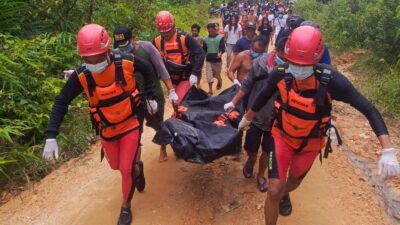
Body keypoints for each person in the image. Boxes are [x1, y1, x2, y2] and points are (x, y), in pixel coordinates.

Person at [238, 26, 400, 225]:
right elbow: (263, 95)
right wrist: (248, 117)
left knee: (293, 182)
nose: (297, 69)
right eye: (293, 63)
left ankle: (284, 193)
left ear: (316, 60)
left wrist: (388, 149)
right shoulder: (281, 72)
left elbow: (368, 109)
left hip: (311, 143)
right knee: (273, 189)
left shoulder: (331, 80)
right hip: (282, 136)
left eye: (303, 65)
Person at [42, 24, 158, 225]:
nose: (93, 62)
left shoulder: (127, 62)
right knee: (115, 165)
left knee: (125, 169)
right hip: (107, 128)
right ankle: (137, 169)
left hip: (131, 121)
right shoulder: (82, 76)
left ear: (107, 50)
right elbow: (61, 102)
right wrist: (51, 135)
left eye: (97, 57)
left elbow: (148, 69)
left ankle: (125, 207)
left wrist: (149, 96)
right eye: (88, 58)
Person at [223, 37, 288, 193]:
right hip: (255, 116)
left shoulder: (292, 69)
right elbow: (247, 84)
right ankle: (251, 162)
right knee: (252, 149)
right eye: (284, 53)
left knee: (267, 150)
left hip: (275, 119)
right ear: (276, 50)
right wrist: (233, 102)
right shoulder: (261, 63)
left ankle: (260, 175)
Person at [113, 27, 178, 163]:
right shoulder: (117, 54)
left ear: (132, 39)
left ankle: (163, 147)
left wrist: (171, 91)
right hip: (133, 98)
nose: (123, 49)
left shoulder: (147, 48)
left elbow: (161, 68)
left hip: (153, 94)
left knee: (157, 123)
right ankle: (136, 161)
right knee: (135, 128)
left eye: (126, 44)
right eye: (120, 46)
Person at [153, 11, 205, 161]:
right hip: (169, 79)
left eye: (168, 31)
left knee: (178, 107)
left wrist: (195, 72)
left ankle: (168, 142)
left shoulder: (185, 38)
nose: (165, 34)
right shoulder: (156, 41)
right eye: (162, 32)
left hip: (185, 77)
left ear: (174, 25)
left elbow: (200, 53)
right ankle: (176, 141)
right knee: (177, 110)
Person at [203, 23, 225, 95]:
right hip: (209, 60)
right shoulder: (205, 39)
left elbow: (223, 48)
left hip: (217, 60)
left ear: (215, 29)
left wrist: (220, 53)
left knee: (217, 74)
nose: (210, 32)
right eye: (209, 30)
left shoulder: (220, 38)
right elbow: (204, 50)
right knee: (209, 76)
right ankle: (210, 90)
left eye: (212, 30)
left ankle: (219, 80)